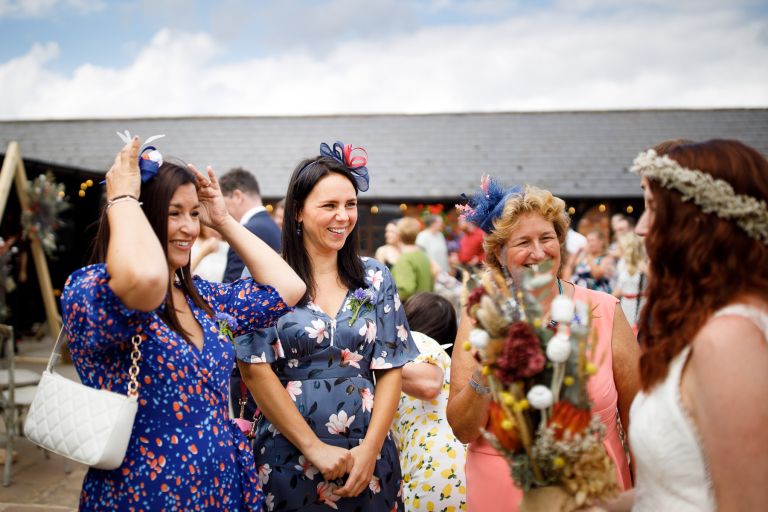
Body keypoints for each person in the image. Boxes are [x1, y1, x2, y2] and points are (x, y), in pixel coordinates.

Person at [60, 137, 306, 511]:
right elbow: (144, 281)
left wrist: (223, 221)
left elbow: (289, 288)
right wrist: (123, 199)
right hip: (146, 490)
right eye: (174, 213)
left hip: (219, 485)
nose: (190, 228)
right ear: (140, 215)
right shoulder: (91, 289)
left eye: (194, 214)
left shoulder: (200, 297)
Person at [235, 141, 419, 511]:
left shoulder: (375, 278)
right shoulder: (264, 278)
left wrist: (369, 452)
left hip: (369, 455)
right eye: (329, 206)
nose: (343, 216)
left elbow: (390, 368)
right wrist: (312, 447)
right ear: (298, 212)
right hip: (289, 455)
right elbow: (253, 370)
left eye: (350, 205)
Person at [446, 180, 640, 511]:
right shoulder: (480, 316)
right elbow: (463, 429)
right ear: (499, 253)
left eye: (547, 238)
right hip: (503, 493)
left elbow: (639, 420)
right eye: (523, 242)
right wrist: (487, 367)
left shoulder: (605, 310)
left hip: (595, 492)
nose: (538, 253)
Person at [605, 139, 768, 511]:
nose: (641, 229)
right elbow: (680, 491)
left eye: (651, 207)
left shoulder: (730, 340)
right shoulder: (708, 323)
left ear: (700, 222)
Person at [393, 292, 467, 511]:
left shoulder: (416, 340)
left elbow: (429, 384)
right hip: (467, 470)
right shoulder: (450, 363)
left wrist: (373, 361)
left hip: (433, 472)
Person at [219, 167, 281, 283]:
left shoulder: (242, 234)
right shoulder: (274, 228)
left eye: (223, 202)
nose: (223, 209)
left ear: (237, 196)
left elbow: (232, 289)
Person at [611, 232, 647, 335]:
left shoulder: (644, 263)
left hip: (641, 303)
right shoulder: (623, 263)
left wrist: (644, 268)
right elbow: (620, 288)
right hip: (626, 303)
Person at [391, 217, 433, 301]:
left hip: (411, 310)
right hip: (425, 305)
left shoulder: (405, 259)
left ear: (399, 235)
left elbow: (405, 289)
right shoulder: (423, 255)